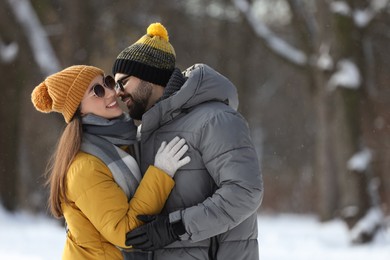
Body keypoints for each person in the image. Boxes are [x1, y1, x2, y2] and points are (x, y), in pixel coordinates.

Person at [112, 23, 264, 260]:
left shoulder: (215, 119)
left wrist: (176, 227)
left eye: (123, 82)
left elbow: (245, 192)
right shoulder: (142, 134)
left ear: (148, 76)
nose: (118, 92)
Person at [31, 65, 191, 260]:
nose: (111, 92)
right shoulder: (85, 167)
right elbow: (125, 232)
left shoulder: (121, 143)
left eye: (107, 82)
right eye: (97, 91)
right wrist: (161, 173)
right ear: (79, 111)